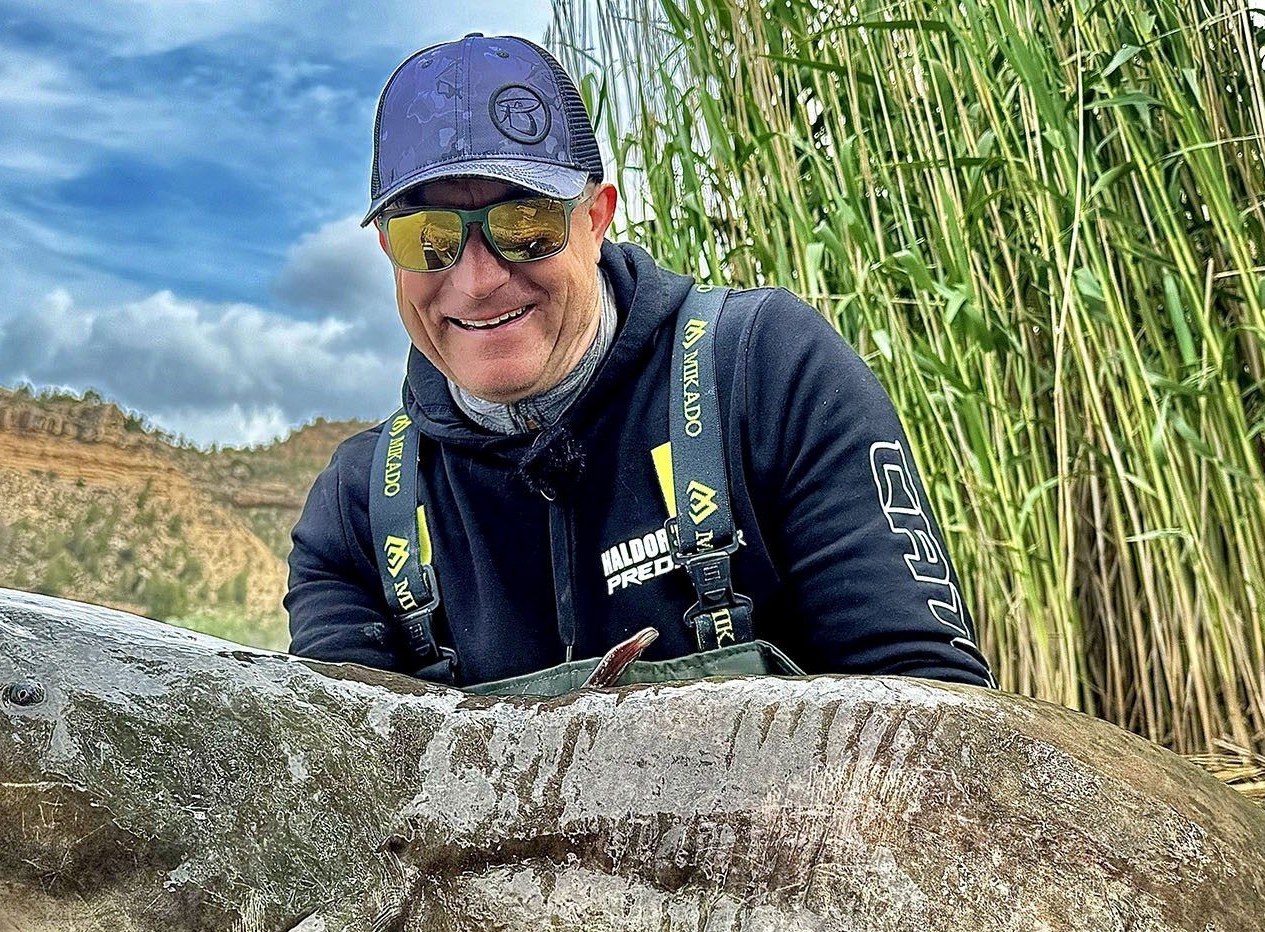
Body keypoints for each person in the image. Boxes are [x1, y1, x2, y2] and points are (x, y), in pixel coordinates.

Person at [286, 32, 993, 697]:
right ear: (387, 251)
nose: (475, 281)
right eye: (428, 235)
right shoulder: (354, 512)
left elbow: (928, 715)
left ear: (595, 218)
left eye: (523, 224)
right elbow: (345, 794)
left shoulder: (767, 371)